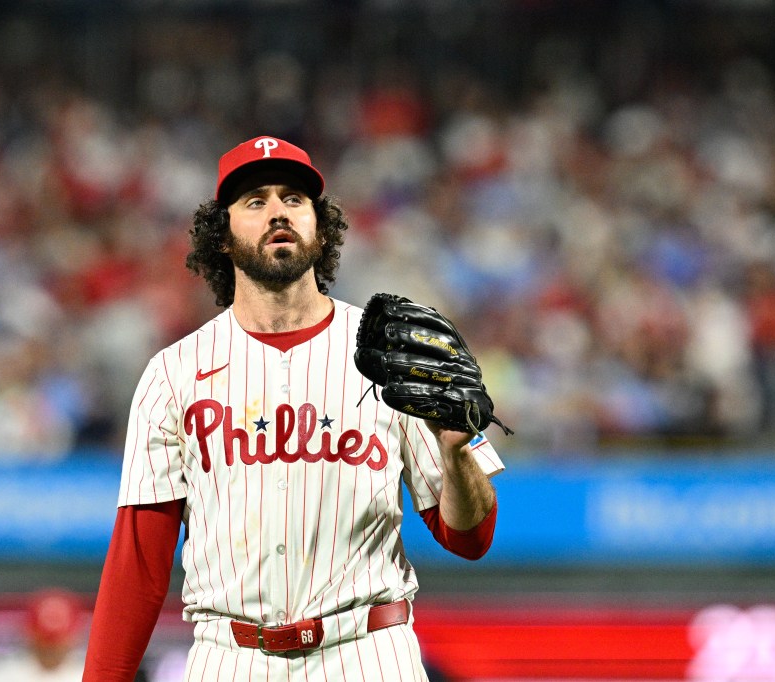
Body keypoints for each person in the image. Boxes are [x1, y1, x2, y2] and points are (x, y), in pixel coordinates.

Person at [82, 135, 505, 681]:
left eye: (294, 198)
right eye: (255, 201)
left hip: (367, 652)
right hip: (230, 658)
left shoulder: (392, 352)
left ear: (320, 226)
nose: (278, 210)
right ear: (224, 237)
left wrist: (455, 455)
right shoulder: (174, 373)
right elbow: (138, 567)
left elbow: (471, 538)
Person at [0, 589, 86, 682]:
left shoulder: (90, 676)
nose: (50, 649)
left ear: (75, 636)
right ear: (28, 633)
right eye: (43, 641)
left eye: (57, 641)